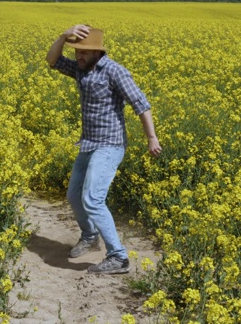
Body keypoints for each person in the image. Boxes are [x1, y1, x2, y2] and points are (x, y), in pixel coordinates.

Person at [46, 24, 162, 274]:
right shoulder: (81, 69)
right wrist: (63, 37)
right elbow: (52, 60)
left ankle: (118, 257)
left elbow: (141, 103)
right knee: (74, 196)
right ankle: (89, 236)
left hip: (110, 144)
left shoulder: (115, 71)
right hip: (89, 142)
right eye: (76, 50)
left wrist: (151, 137)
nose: (78, 55)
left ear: (98, 52)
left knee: (92, 198)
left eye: (84, 52)